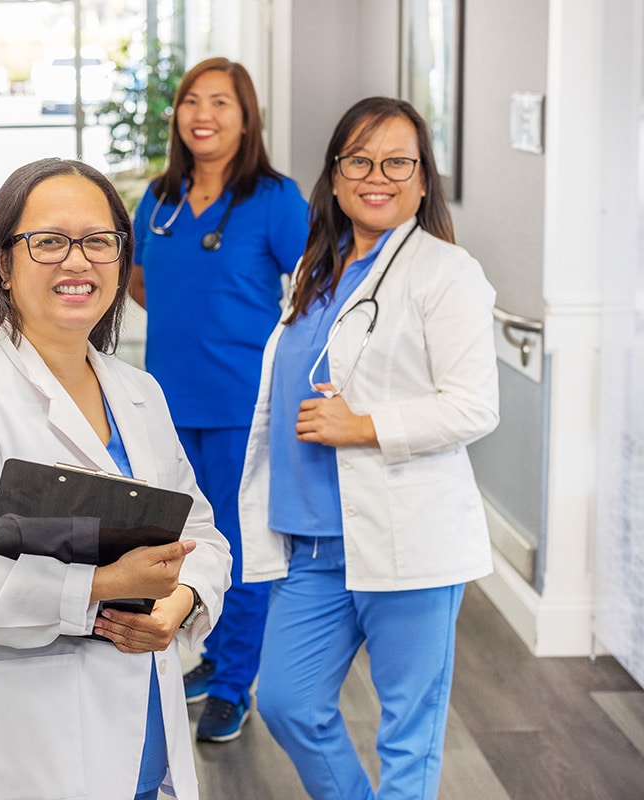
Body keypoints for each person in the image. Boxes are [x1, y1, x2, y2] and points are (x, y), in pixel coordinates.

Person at [0, 158, 232, 800]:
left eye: (98, 241)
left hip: (144, 741)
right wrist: (102, 585)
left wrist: (181, 601)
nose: (77, 262)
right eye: (48, 241)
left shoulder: (139, 394)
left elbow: (203, 536)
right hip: (31, 753)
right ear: (3, 263)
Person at [237, 96, 499, 799]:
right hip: (314, 544)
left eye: (397, 162)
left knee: (407, 732)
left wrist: (366, 426)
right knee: (288, 705)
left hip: (407, 541)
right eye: (359, 159)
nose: (376, 175)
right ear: (334, 174)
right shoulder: (313, 273)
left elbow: (474, 405)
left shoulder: (447, 273)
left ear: (421, 180)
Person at [129, 56, 309, 742]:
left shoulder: (275, 198)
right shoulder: (160, 197)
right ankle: (207, 655)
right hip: (165, 405)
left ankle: (234, 681)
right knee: (180, 544)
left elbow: (315, 287)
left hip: (242, 406)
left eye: (221, 103)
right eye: (192, 101)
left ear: (245, 116)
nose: (203, 114)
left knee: (241, 545)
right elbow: (141, 281)